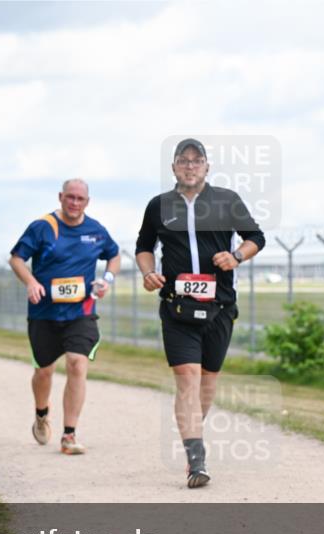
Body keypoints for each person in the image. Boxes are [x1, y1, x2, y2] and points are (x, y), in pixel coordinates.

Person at [135, 138, 266, 488]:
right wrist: (149, 273)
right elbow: (144, 247)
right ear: (174, 167)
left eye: (197, 160)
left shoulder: (226, 200)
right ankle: (197, 461)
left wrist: (237, 256)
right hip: (177, 306)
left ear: (207, 167)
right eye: (183, 160)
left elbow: (256, 237)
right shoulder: (159, 206)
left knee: (207, 383)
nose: (190, 166)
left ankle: (193, 432)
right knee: (188, 379)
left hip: (220, 306)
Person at [8, 178, 120, 455]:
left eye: (80, 199)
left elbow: (114, 255)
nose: (74, 203)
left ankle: (69, 435)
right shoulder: (43, 227)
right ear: (60, 197)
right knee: (43, 371)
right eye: (70, 197)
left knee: (76, 364)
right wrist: (31, 282)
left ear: (87, 202)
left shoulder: (95, 230)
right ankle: (41, 413)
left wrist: (106, 279)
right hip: (44, 312)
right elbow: (16, 258)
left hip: (81, 312)